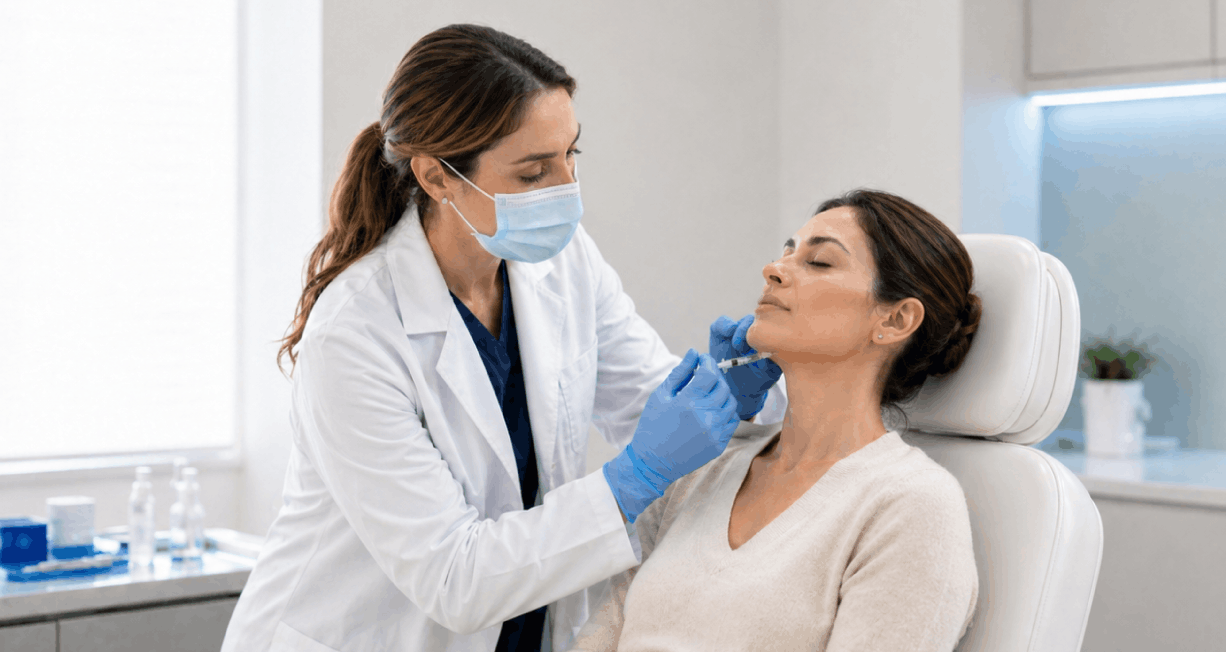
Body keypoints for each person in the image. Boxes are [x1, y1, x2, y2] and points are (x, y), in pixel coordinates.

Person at [220, 24, 784, 652]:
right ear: (437, 178)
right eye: (533, 172)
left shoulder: (565, 263)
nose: (566, 189)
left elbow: (649, 409)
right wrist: (632, 477)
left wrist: (730, 398)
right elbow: (454, 579)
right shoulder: (355, 332)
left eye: (571, 155)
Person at [569, 189, 982, 652]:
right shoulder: (700, 471)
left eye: (819, 262)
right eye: (787, 251)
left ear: (896, 319)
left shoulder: (912, 507)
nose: (773, 269)